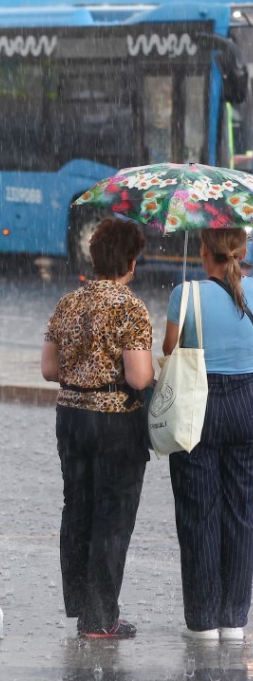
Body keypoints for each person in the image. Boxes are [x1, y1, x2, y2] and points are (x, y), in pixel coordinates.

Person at [41, 217, 154, 640]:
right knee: (113, 517)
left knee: (78, 508)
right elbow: (139, 378)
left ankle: (82, 606)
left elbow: (49, 369)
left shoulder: (67, 303)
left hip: (70, 417)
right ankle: (100, 616)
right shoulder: (130, 307)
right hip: (115, 421)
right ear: (129, 261)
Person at [162, 228, 253, 642]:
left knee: (199, 511)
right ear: (243, 250)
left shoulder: (186, 293)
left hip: (198, 404)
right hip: (248, 403)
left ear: (203, 251)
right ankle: (235, 619)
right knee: (242, 509)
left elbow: (169, 349)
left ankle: (203, 620)